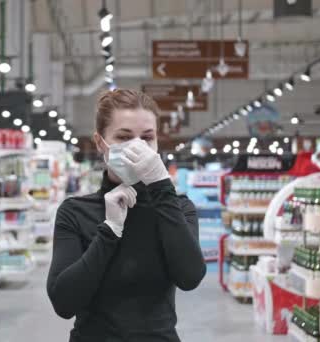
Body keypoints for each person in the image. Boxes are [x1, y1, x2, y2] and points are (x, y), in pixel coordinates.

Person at [47, 89, 206, 342]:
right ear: (101, 143)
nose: (137, 147)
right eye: (124, 137)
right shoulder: (75, 212)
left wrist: (161, 185)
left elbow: (190, 277)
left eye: (147, 138)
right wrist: (109, 231)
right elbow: (64, 303)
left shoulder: (176, 208)